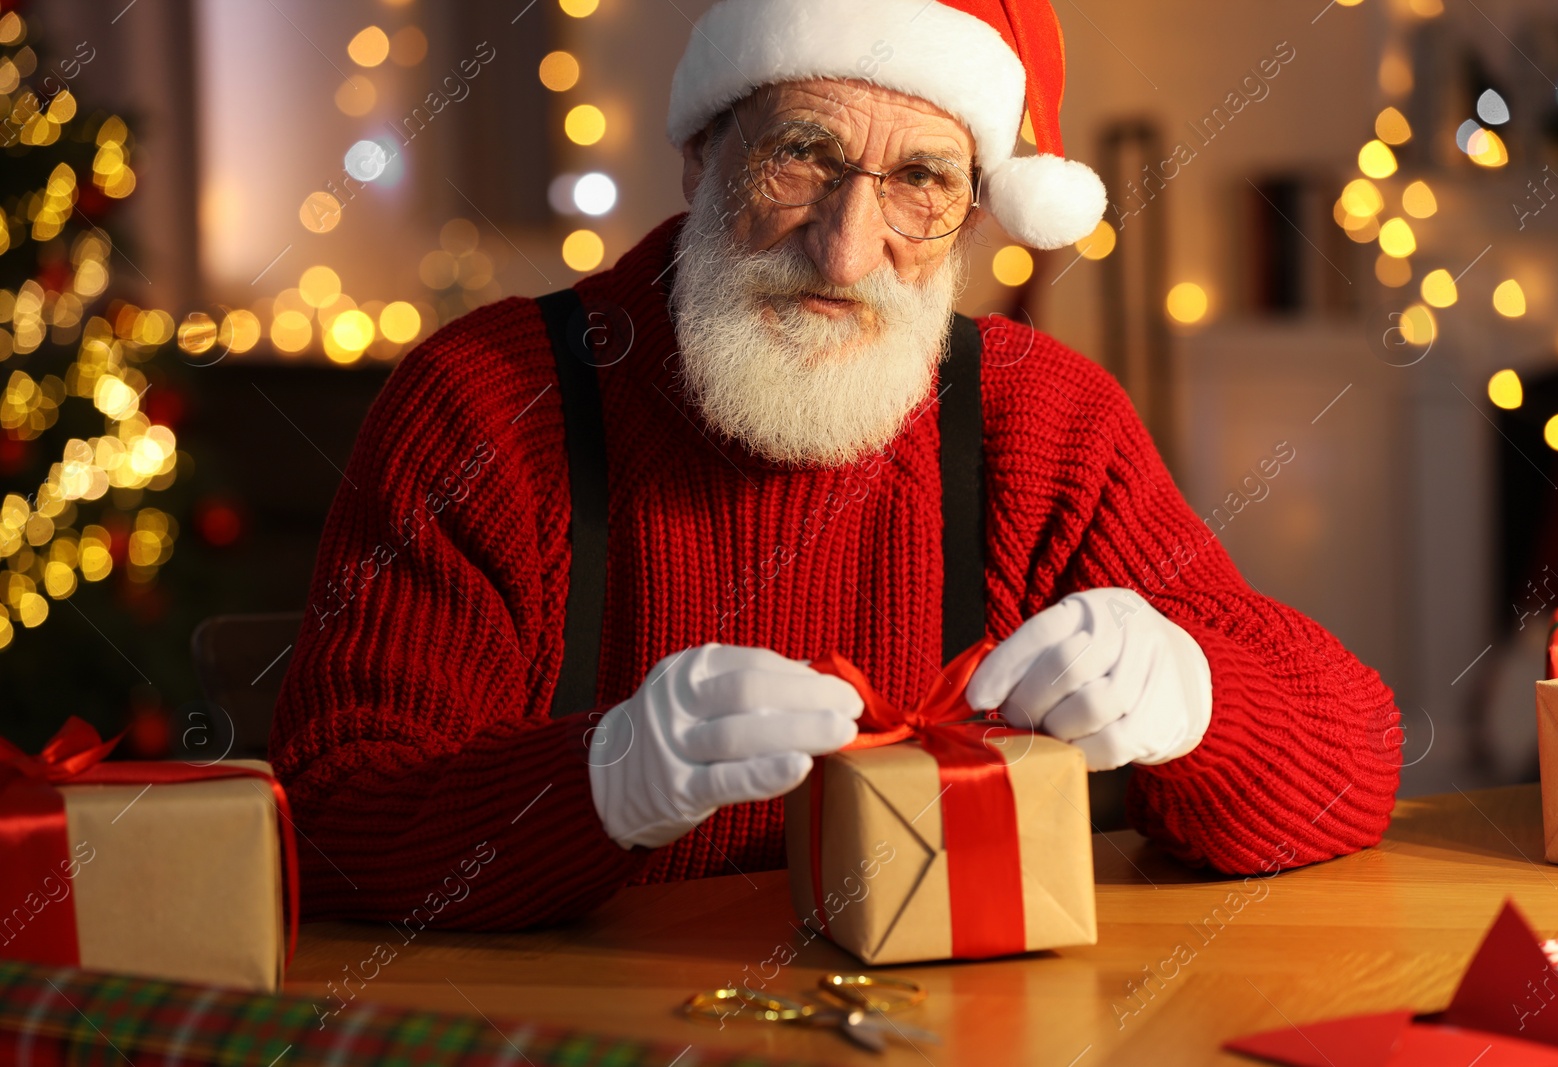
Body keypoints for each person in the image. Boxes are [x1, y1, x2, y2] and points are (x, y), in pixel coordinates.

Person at [270, 0, 1400, 929]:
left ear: (971, 210)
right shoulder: (485, 403)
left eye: (921, 180)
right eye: (801, 154)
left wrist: (1204, 699)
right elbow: (327, 827)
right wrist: (597, 779)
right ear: (702, 152)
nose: (849, 248)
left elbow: (1354, 763)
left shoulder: (1041, 422)